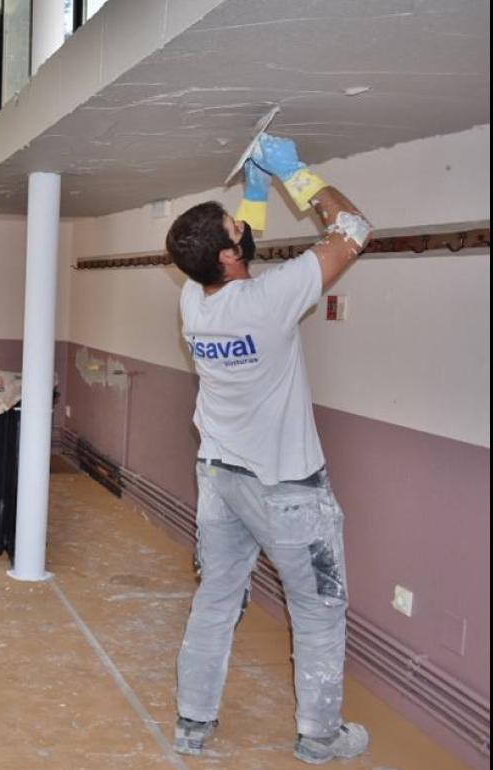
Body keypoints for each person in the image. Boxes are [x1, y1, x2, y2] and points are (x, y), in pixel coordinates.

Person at [165, 134, 373, 764]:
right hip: (287, 488)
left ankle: (192, 726)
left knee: (217, 599)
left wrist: (253, 195)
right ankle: (319, 737)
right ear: (229, 255)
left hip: (220, 479)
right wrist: (293, 175)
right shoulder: (271, 299)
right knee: (318, 611)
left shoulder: (193, 300)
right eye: (237, 229)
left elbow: (237, 262)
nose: (242, 232)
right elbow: (355, 229)